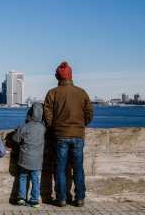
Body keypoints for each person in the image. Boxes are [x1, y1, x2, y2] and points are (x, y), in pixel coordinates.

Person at [44, 62, 93, 207]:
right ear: (70, 76)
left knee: (60, 168)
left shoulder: (53, 93)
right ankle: (79, 198)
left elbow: (48, 115)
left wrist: (54, 127)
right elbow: (89, 113)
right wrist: (81, 125)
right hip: (78, 135)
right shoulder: (81, 92)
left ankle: (62, 198)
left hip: (60, 135)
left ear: (58, 77)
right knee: (78, 167)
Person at [12, 102, 46, 208]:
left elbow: (15, 139)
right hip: (37, 160)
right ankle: (34, 200)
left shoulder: (24, 126)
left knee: (23, 177)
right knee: (36, 180)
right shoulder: (43, 128)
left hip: (25, 158)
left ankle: (21, 198)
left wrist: (17, 131)